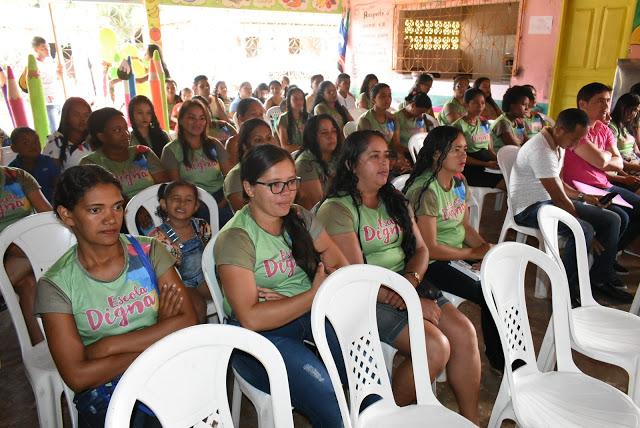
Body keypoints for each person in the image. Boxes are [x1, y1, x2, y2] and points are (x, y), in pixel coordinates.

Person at [317, 130, 480, 422]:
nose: (384, 163)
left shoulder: (394, 199)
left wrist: (411, 283)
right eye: (374, 156)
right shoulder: (338, 209)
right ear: (352, 165)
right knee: (434, 347)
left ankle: (471, 420)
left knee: (464, 332)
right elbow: (357, 276)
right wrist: (410, 300)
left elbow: (421, 250)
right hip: (364, 296)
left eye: (387, 155)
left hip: (406, 283)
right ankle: (383, 416)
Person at [35, 164, 197, 426]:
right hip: (108, 390)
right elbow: (77, 376)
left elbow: (188, 320)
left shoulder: (148, 252)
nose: (111, 218)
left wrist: (107, 348)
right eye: (95, 210)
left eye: (117, 206)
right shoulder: (57, 285)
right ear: (67, 215)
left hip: (167, 370)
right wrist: (161, 332)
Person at [214, 144, 348, 427]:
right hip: (256, 341)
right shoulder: (237, 238)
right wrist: (312, 294)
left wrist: (294, 299)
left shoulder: (299, 217)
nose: (287, 192)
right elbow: (251, 318)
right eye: (275, 185)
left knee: (356, 363)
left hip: (304, 314)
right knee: (324, 391)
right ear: (249, 188)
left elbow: (340, 266)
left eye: (291, 182)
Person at [403, 126, 504, 371]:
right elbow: (431, 249)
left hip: (457, 255)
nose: (463, 156)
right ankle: (501, 361)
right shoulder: (425, 190)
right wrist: (472, 255)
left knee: (502, 276)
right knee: (487, 291)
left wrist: (484, 249)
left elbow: (465, 226)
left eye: (465, 150)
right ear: (437, 154)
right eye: (456, 150)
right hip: (433, 264)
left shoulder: (459, 181)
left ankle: (508, 352)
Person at [510, 108, 628, 305]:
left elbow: (559, 186)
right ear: (560, 129)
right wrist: (583, 231)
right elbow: (559, 198)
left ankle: (598, 278)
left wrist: (583, 196)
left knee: (612, 219)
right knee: (583, 229)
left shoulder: (559, 145)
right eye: (574, 139)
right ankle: (564, 290)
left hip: (548, 201)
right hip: (528, 208)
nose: (575, 146)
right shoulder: (540, 150)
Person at [563, 82, 640, 272]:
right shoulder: (576, 129)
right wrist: (607, 157)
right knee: (619, 217)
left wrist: (606, 158)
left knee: (638, 206)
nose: (606, 106)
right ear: (583, 104)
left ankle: (609, 254)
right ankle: (601, 271)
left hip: (603, 184)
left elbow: (618, 162)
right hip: (581, 187)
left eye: (607, 101)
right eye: (600, 101)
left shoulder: (604, 129)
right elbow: (603, 163)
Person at [147, 180, 212, 323]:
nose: (182, 203)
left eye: (188, 200)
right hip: (181, 283)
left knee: (229, 292)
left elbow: (208, 252)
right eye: (176, 199)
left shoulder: (202, 226)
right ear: (164, 204)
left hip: (203, 276)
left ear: (196, 206)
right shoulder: (157, 237)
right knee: (197, 307)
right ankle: (196, 340)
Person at [161, 99, 232, 226]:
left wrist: (224, 201)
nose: (197, 123)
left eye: (202, 118)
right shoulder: (171, 150)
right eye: (191, 118)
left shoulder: (214, 144)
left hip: (222, 196)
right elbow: (176, 187)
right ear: (181, 120)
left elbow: (229, 177)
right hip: (192, 201)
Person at [1, 165, 51, 344]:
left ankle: (42, 346)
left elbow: (47, 216)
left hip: (30, 246)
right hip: (5, 255)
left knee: (28, 283)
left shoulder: (16, 176)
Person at [80, 108, 169, 201]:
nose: (126, 134)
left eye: (126, 128)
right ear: (101, 136)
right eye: (117, 130)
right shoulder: (90, 163)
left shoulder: (143, 152)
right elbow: (97, 199)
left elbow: (164, 186)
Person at [453, 88, 504, 189]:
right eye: (476, 103)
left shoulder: (484, 123)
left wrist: (500, 161)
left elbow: (489, 149)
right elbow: (458, 156)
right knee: (505, 183)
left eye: (483, 103)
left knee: (509, 176)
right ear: (466, 104)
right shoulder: (459, 126)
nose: (480, 106)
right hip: (469, 168)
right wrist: (485, 164)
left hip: (487, 165)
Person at [224, 118, 279, 212]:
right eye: (258, 140)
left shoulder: (277, 168)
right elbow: (246, 215)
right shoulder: (236, 177)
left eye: (269, 138)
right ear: (245, 146)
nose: (266, 144)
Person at [295, 114, 342, 210]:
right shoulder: (305, 164)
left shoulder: (337, 156)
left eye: (333, 131)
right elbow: (316, 205)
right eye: (324, 133)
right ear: (312, 137)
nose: (331, 136)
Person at [9, 127, 60, 203]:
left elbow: (59, 186)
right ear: (14, 148)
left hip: (51, 206)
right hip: (27, 210)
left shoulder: (49, 162)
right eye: (26, 143)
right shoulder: (12, 170)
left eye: (36, 141)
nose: (33, 146)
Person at [44, 97, 93, 171]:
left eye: (86, 115)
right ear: (66, 116)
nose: (82, 119)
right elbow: (52, 175)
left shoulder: (94, 138)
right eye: (76, 115)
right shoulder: (56, 142)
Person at [27, 36, 63, 133]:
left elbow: (56, 79)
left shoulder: (50, 61)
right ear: (36, 49)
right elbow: (33, 84)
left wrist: (59, 73)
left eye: (47, 46)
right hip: (47, 101)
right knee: (54, 130)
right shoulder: (34, 65)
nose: (47, 49)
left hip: (57, 98)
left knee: (62, 127)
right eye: (43, 48)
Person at [357, 83, 401, 155]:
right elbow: (366, 148)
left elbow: (396, 144)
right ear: (373, 100)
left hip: (387, 154)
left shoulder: (393, 119)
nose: (387, 99)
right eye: (383, 96)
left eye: (389, 96)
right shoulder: (365, 120)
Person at [225, 97, 266, 166]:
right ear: (241, 119)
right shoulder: (234, 143)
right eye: (253, 114)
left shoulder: (267, 138)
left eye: (261, 114)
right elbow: (234, 172)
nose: (259, 118)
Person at [490, 85, 532, 152]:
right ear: (512, 105)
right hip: (500, 159)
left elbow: (527, 143)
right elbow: (515, 148)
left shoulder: (518, 122)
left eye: (528, 105)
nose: (527, 108)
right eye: (524, 104)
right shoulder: (503, 123)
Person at [609, 93, 640, 173]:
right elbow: (613, 157)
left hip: (635, 163)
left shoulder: (628, 126)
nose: (634, 114)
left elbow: (636, 151)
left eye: (636, 111)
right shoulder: (612, 127)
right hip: (625, 167)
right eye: (632, 109)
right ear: (622, 107)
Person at [277, 87, 308, 153]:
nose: (299, 101)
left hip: (307, 151)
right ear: (289, 100)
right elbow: (284, 146)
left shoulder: (308, 117)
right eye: (295, 99)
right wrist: (303, 148)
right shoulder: (283, 118)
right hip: (292, 154)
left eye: (301, 99)